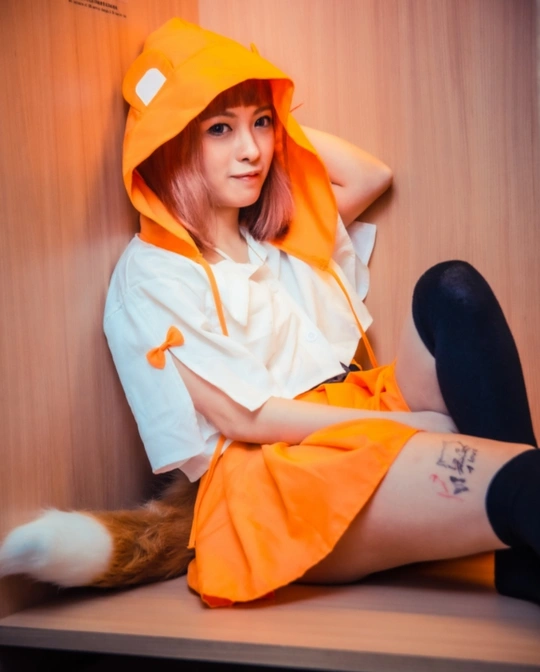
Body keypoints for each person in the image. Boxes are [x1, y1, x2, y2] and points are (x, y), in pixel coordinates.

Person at [0, 18, 538, 608]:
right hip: (274, 467)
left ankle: (520, 555)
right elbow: (245, 418)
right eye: (219, 129)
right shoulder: (152, 271)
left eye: (261, 124)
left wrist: (266, 113)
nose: (252, 150)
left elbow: (370, 174)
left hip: (351, 407)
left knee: (450, 287)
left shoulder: (277, 238)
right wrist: (404, 429)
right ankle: (517, 519)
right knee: (522, 485)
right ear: (171, 141)